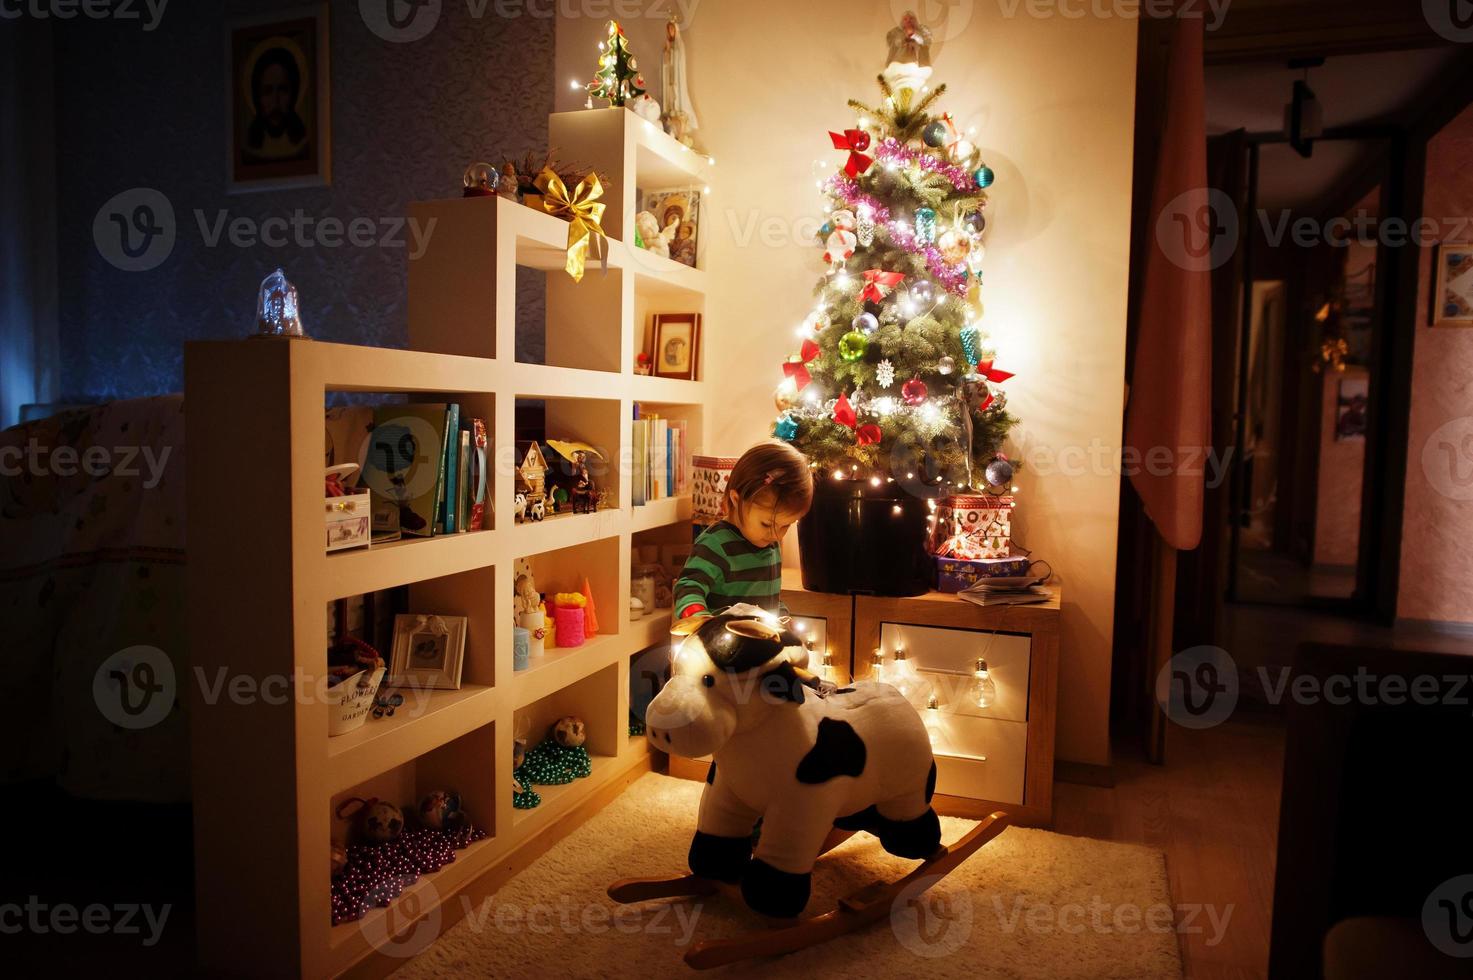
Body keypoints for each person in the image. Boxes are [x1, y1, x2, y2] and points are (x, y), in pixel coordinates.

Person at [675, 441, 812, 622]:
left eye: (785, 526)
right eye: (766, 524)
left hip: (758, 643)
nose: (776, 535)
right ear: (736, 500)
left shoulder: (769, 544)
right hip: (719, 645)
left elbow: (768, 600)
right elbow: (688, 587)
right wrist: (701, 621)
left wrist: (781, 616)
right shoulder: (716, 543)